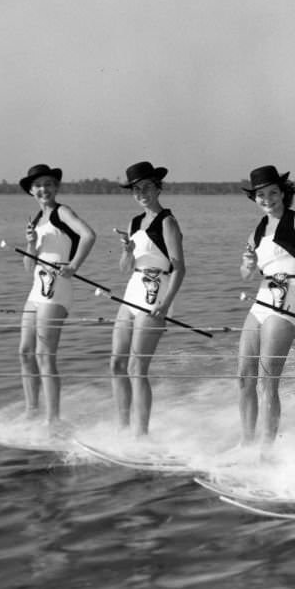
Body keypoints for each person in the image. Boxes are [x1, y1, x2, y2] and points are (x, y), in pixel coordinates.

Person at [236, 165, 295, 457]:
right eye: (261, 195)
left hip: (291, 295)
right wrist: (247, 264)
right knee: (245, 377)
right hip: (263, 296)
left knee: (267, 380)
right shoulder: (257, 230)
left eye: (273, 192)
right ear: (255, 198)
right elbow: (247, 274)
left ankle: (265, 452)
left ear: (283, 193)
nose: (267, 199)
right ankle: (246, 443)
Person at [17, 163, 96, 428]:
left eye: (49, 184)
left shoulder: (63, 212)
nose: (43, 189)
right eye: (38, 185)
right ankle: (31, 411)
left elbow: (88, 235)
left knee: (44, 354)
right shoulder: (36, 219)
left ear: (56, 187)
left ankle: (53, 420)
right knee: (25, 352)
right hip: (36, 291)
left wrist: (73, 266)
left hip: (57, 290)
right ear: (31, 190)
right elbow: (29, 266)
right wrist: (30, 242)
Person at [111, 161, 186, 437]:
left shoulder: (167, 222)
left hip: (157, 293)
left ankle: (140, 435)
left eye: (146, 187)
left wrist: (165, 305)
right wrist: (128, 250)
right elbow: (124, 268)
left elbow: (179, 268)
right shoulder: (133, 222)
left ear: (157, 188)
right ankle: (122, 429)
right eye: (136, 189)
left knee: (136, 367)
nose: (141, 193)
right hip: (133, 290)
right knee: (117, 364)